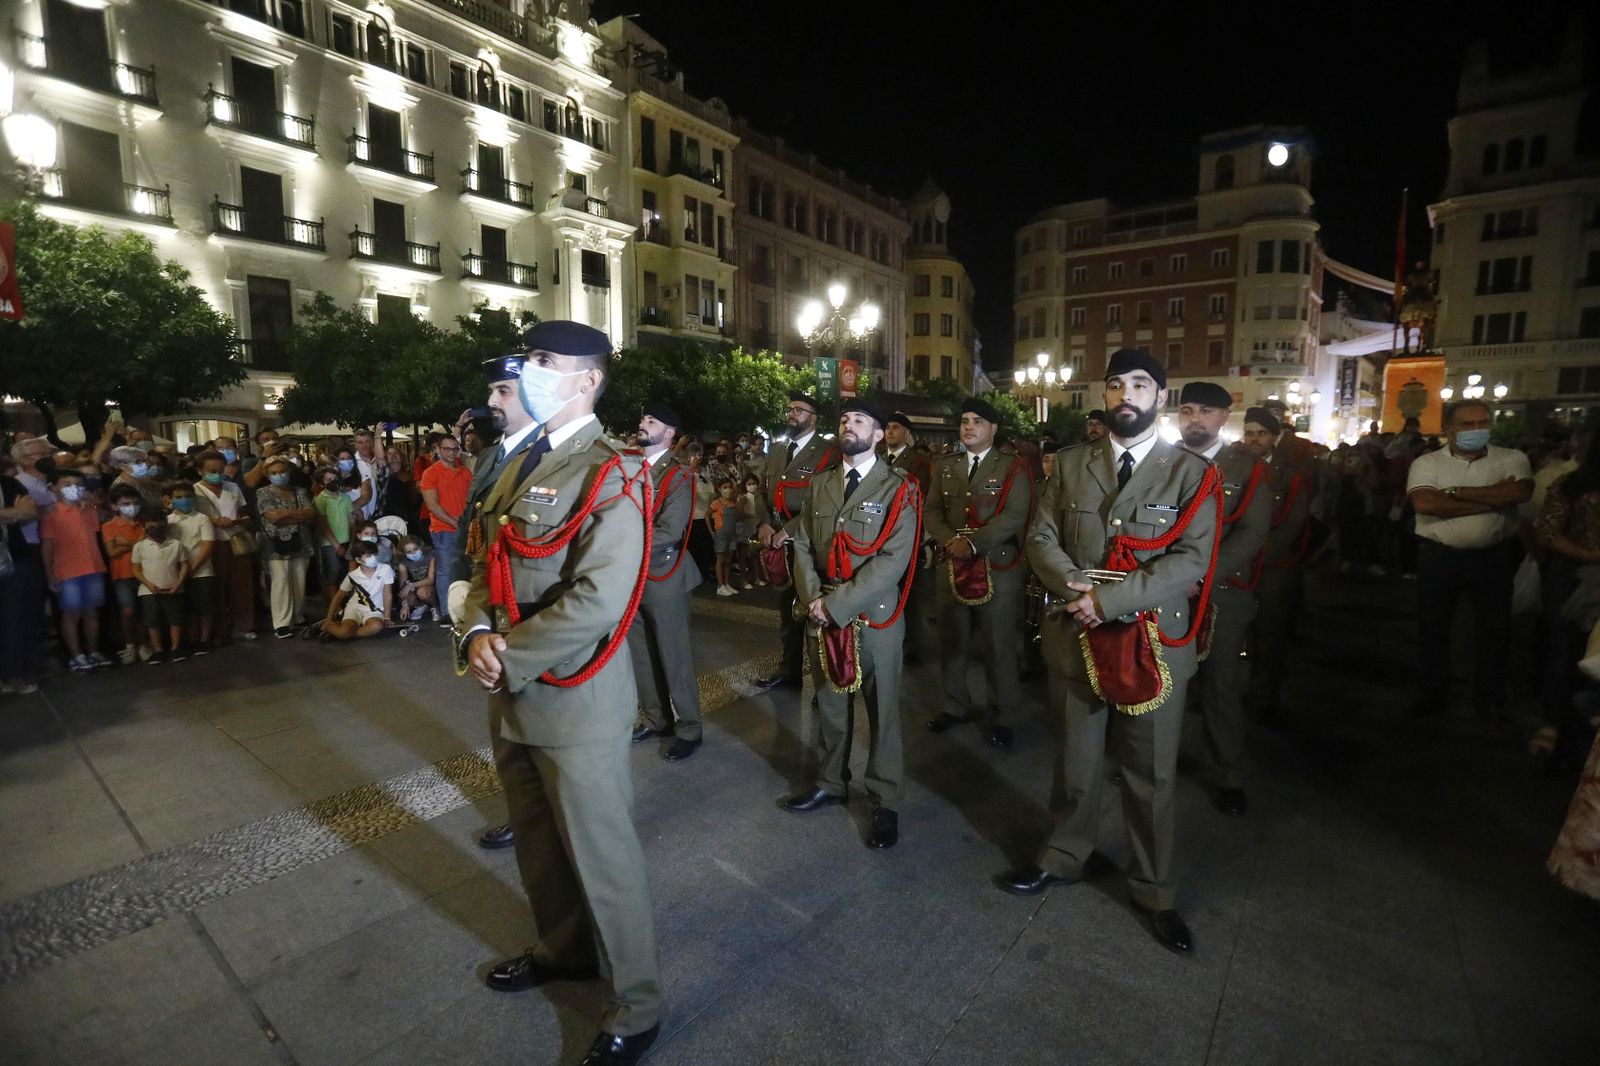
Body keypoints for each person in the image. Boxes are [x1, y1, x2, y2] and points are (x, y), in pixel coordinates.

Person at [455, 321, 660, 1066]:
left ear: (588, 381)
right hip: (512, 694)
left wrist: (508, 657)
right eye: (529, 360)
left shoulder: (612, 470)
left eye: (546, 362)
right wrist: (475, 633)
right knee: (539, 847)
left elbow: (603, 598)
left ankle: (638, 1005)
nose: (530, 372)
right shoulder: (525, 460)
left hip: (574, 702)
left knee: (604, 861)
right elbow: (489, 562)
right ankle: (565, 950)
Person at [998, 348, 1219, 955]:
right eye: (1116, 383)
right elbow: (1041, 534)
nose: (1126, 394)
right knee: (1075, 760)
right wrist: (1072, 583)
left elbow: (1192, 560)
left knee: (1150, 775)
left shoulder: (1190, 474)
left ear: (1161, 399)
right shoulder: (1070, 464)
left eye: (1140, 384)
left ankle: (1154, 890)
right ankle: (1065, 854)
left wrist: (1110, 601)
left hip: (1149, 644)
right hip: (1076, 634)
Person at [780, 399, 920, 850]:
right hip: (822, 609)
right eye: (844, 419)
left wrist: (834, 604)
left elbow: (892, 561)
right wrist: (811, 599)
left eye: (860, 420)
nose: (849, 425)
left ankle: (885, 798)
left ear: (879, 434)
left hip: (873, 615)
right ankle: (830, 780)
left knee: (883, 712)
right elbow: (800, 544)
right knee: (829, 703)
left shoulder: (898, 487)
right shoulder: (820, 483)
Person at [450, 352, 544, 854]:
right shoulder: (492, 454)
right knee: (506, 725)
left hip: (529, 609)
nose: (490, 401)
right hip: (491, 601)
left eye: (502, 391)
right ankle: (522, 811)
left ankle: (541, 814)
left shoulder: (550, 455)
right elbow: (476, 525)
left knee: (536, 722)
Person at [1178, 382, 1272, 815]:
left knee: (1221, 684)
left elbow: (1252, 532)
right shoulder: (1162, 462)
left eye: (1206, 411)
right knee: (1163, 679)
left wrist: (1201, 574)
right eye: (1187, 409)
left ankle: (1228, 772)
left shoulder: (1245, 467)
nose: (1195, 418)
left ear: (1223, 417)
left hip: (1220, 590)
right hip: (1167, 590)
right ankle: (1156, 758)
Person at [1406, 399, 1533, 719]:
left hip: (1493, 557)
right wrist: (1492, 501)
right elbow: (1425, 503)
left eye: (1482, 423)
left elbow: (1518, 494)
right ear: (1448, 429)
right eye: (1467, 424)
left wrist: (1452, 491)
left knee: (1494, 630)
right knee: (1433, 628)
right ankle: (1433, 693)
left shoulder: (1512, 458)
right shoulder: (1428, 463)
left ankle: (1489, 697)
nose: (1477, 430)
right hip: (1439, 556)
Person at [924, 397, 1035, 749]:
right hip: (952, 565)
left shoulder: (1012, 467)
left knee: (998, 644)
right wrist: (950, 541)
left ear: (993, 429)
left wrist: (973, 544)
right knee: (952, 639)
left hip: (997, 567)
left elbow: (1015, 515)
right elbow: (932, 511)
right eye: (964, 421)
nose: (968, 426)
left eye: (977, 421)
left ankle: (1004, 713)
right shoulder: (945, 466)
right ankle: (955, 704)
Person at [628, 404, 706, 761]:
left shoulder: (677, 476)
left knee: (674, 655)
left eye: (652, 421)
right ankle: (655, 717)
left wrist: (618, 541)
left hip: (664, 572)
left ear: (669, 433)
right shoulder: (628, 468)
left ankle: (689, 727)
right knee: (642, 653)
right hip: (632, 575)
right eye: (643, 420)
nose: (643, 425)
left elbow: (669, 530)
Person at [754, 391, 838, 689]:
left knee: (815, 612)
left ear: (813, 418)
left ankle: (824, 682)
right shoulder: (777, 450)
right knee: (787, 612)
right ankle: (789, 670)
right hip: (776, 542)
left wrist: (786, 531)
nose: (791, 414)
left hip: (809, 543)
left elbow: (823, 503)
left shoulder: (828, 452)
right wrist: (763, 523)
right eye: (789, 409)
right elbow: (763, 491)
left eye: (799, 410)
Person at [1239, 407, 1312, 722]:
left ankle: (1264, 695)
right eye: (1250, 433)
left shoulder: (1292, 474)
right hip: (1237, 564)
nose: (1254, 440)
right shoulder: (1234, 468)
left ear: (1275, 437)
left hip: (1274, 564)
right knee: (1231, 630)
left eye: (1262, 433)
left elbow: (1292, 524)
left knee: (1269, 633)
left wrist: (1255, 555)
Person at [1532, 434, 1600, 769]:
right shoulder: (1571, 485)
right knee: (1566, 652)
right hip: (1574, 580)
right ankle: (1555, 723)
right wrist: (1588, 554)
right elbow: (1546, 530)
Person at [39, 468, 111, 672]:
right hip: (67, 570)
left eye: (78, 484)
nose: (74, 488)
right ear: (54, 488)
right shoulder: (52, 513)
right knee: (71, 614)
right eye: (67, 484)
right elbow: (47, 546)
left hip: (93, 566)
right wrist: (49, 573)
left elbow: (101, 524)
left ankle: (93, 651)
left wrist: (94, 501)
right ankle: (76, 654)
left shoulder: (89, 510)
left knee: (92, 612)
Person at [881, 410, 937, 661]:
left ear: (906, 433)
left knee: (908, 590)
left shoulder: (918, 461)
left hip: (906, 531)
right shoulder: (878, 457)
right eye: (887, 427)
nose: (890, 431)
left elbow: (920, 496)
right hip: (880, 532)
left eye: (895, 427)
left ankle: (911, 643)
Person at [193, 450, 257, 641]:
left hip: (236, 542)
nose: (217, 474)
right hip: (210, 544)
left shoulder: (232, 487)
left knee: (242, 586)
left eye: (220, 470)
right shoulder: (195, 491)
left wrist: (237, 521)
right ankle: (218, 630)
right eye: (211, 470)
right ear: (200, 470)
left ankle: (243, 625)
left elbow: (244, 513)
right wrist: (214, 521)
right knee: (216, 588)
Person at [256, 457, 315, 638]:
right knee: (280, 582)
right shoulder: (263, 493)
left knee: (299, 580)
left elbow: (310, 514)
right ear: (267, 475)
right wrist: (297, 515)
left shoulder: (300, 491)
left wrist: (285, 513)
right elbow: (272, 516)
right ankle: (281, 623)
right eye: (274, 473)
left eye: (282, 471)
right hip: (275, 545)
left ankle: (297, 615)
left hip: (301, 542)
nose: (279, 475)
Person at [419, 435, 471, 627]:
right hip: (444, 530)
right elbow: (432, 505)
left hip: (463, 528)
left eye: (454, 448)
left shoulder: (465, 472)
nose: (451, 452)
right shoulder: (431, 473)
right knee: (445, 570)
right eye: (447, 448)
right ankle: (446, 612)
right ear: (438, 450)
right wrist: (456, 523)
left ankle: (460, 609)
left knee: (463, 569)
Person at [0, 467, 43, 693]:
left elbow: (30, 512)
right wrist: (12, 512)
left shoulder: (9, 483)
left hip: (14, 559)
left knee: (15, 619)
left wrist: (16, 512)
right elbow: (20, 512)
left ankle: (14, 673)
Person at [166, 482, 218, 655]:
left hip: (201, 570)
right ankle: (190, 638)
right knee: (184, 608)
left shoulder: (201, 519)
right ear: (170, 499)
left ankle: (204, 639)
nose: (184, 500)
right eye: (179, 497)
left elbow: (207, 546)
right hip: (177, 572)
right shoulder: (168, 520)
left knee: (204, 606)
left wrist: (192, 569)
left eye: (188, 496)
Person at [131, 512, 189, 664]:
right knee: (152, 620)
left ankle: (175, 648)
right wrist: (148, 583)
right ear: (144, 527)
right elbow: (136, 569)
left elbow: (184, 564)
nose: (154, 528)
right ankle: (158, 650)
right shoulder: (140, 547)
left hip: (173, 587)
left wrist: (179, 583)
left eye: (158, 524)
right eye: (150, 526)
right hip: (149, 590)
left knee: (175, 619)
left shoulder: (176, 544)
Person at [102, 486, 147, 664]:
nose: (131, 507)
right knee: (128, 611)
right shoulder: (109, 526)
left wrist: (125, 543)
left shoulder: (144, 523)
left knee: (144, 611)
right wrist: (137, 543)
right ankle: (129, 645)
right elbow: (112, 552)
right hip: (122, 574)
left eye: (135, 503)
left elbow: (147, 545)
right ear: (114, 506)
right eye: (126, 503)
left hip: (144, 572)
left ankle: (144, 644)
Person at [321, 541, 394, 640]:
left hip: (374, 610)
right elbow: (339, 596)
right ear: (359, 560)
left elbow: (387, 594)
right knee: (343, 632)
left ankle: (344, 634)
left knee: (377, 626)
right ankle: (329, 627)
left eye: (375, 554)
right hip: (355, 608)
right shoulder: (353, 575)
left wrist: (387, 617)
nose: (373, 557)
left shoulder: (385, 569)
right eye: (368, 555)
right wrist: (328, 619)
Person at [313, 467, 360, 603]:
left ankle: (344, 602)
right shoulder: (320, 500)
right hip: (329, 543)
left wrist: (352, 541)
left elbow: (351, 521)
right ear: (321, 484)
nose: (333, 482)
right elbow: (323, 525)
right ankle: (334, 605)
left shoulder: (345, 498)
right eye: (329, 480)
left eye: (334, 479)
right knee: (332, 574)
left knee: (344, 574)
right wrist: (336, 545)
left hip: (345, 540)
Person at [707, 477, 740, 595]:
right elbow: (707, 515)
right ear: (719, 489)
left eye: (730, 487)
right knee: (720, 560)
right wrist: (711, 531)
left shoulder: (734, 502)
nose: (728, 490)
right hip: (721, 534)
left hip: (732, 534)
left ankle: (727, 584)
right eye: (725, 488)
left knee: (728, 560)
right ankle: (720, 586)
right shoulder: (716, 503)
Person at [396, 534, 438, 621]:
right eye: (409, 552)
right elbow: (402, 587)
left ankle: (435, 607)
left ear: (420, 546)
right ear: (404, 553)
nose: (413, 553)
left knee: (422, 592)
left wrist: (410, 585)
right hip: (414, 587)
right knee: (407, 597)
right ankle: (422, 606)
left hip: (430, 587)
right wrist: (404, 605)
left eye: (415, 549)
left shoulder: (430, 556)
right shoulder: (403, 563)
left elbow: (431, 579)